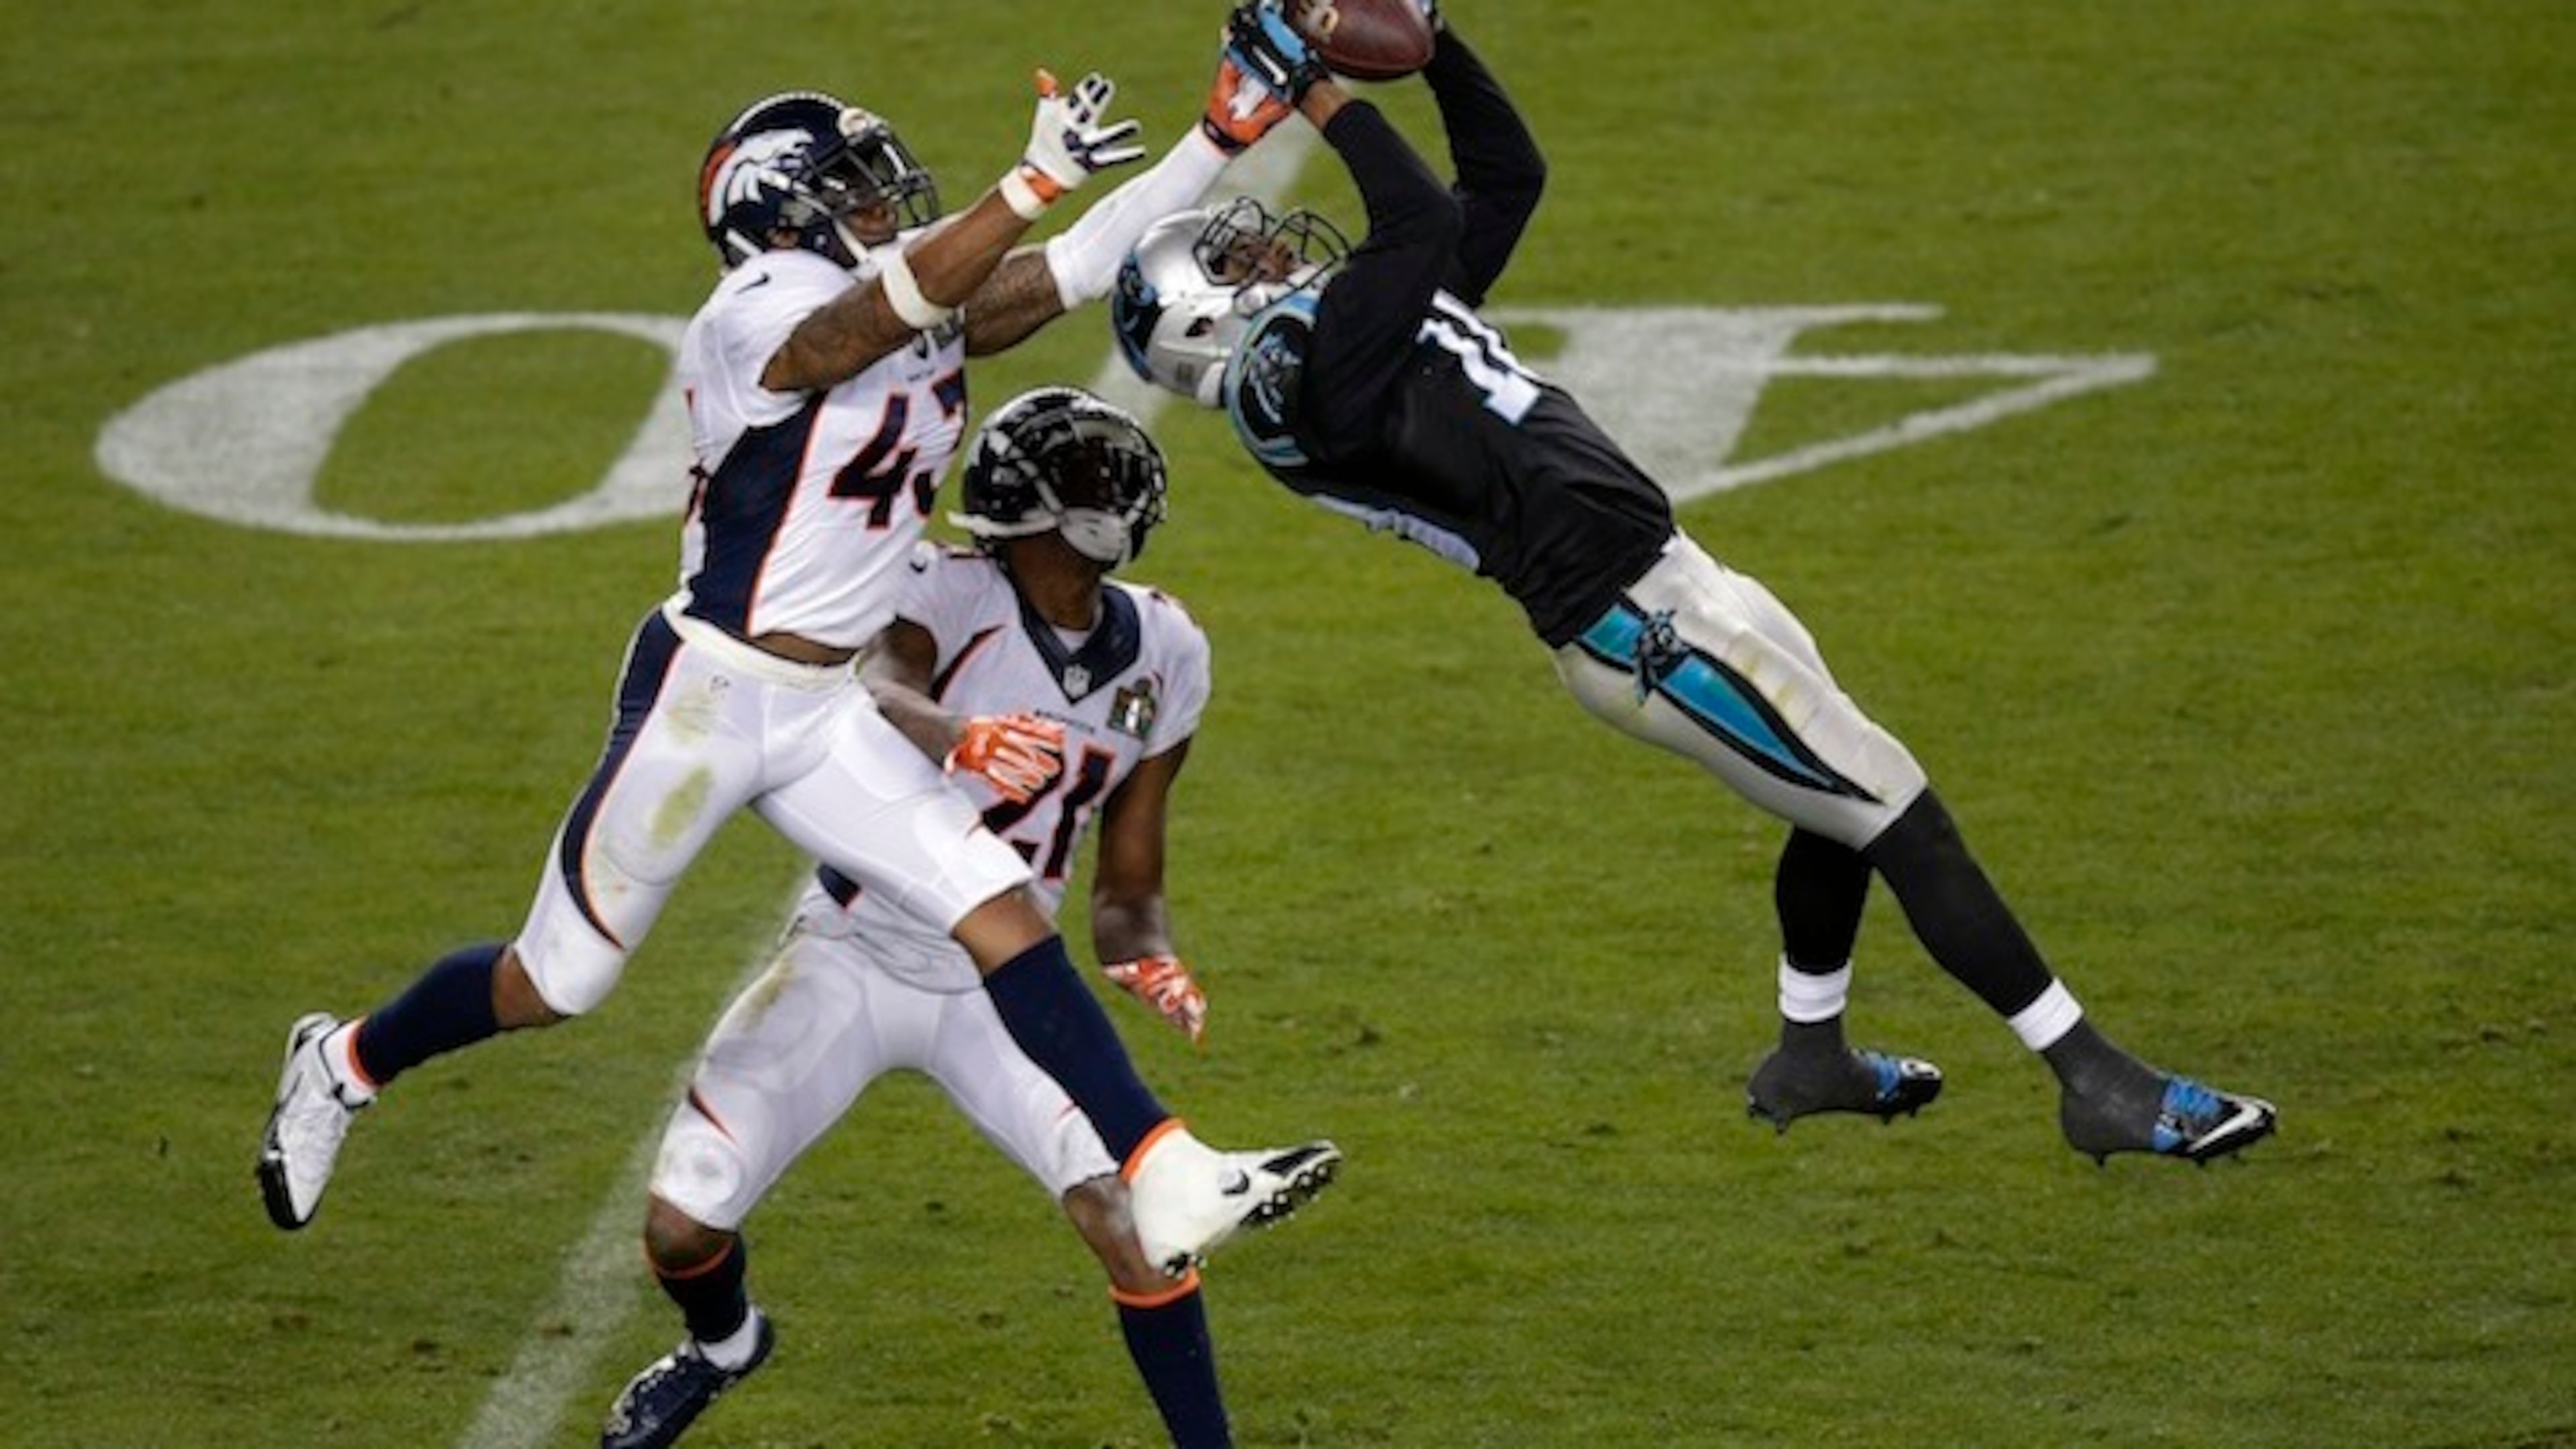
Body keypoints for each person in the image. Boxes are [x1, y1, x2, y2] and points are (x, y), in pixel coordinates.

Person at [1110, 0, 2277, 1165]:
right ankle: (2095, 1081)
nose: (1269, 248)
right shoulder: (1294, 387)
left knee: (1843, 785)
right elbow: (1412, 218)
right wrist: (1314, 82)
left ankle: (1810, 1056)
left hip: (1666, 578)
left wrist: (1431, 33)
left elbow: (1505, 178)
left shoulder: (1336, 338)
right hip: (1635, 627)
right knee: (1899, 812)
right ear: (1200, 324)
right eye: (1235, 257)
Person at [258, 50, 1340, 1280]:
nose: (880, 199)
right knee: (555, 982)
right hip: (711, 695)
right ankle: (344, 1063)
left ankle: (1168, 1167)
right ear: (773, 207)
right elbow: (850, 334)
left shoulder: (902, 290)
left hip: (825, 711)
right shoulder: (755, 313)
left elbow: (1076, 272)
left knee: (997, 908)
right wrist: (1026, 183)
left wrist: (1212, 138)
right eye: (849, 184)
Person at [602, 388, 1247, 1449]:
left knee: (1143, 1229)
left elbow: (1127, 890)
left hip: (1009, 988)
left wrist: (1153, 960)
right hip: (853, 952)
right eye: (1085, 475)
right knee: (680, 1227)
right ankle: (723, 1343)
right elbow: (879, 680)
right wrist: (957, 734)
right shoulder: (944, 588)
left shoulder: (1169, 648)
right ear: (1027, 505)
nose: (1116, 489)